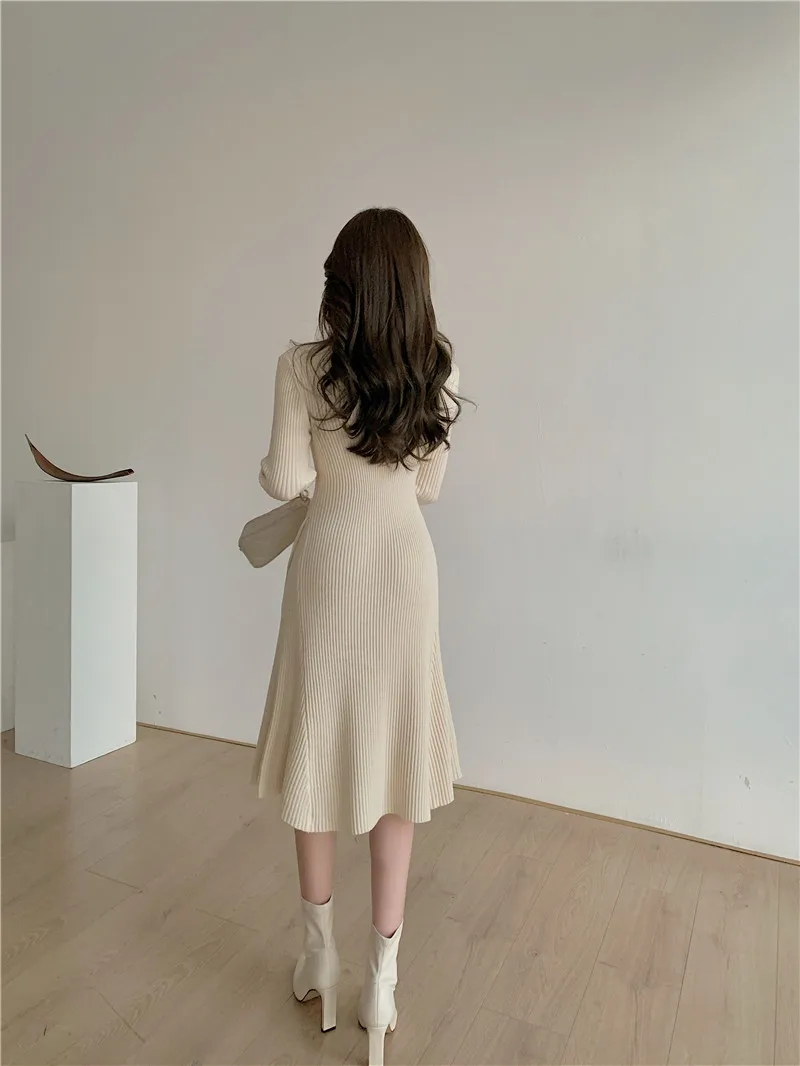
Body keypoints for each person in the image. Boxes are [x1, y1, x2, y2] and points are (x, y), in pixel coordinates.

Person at [253, 207, 463, 1065]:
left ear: (341, 287)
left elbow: (286, 478)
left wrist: (296, 465)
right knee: (395, 769)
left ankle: (320, 958)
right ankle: (383, 980)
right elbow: (428, 488)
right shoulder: (436, 369)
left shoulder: (301, 367)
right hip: (406, 572)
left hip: (330, 570)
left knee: (316, 752)